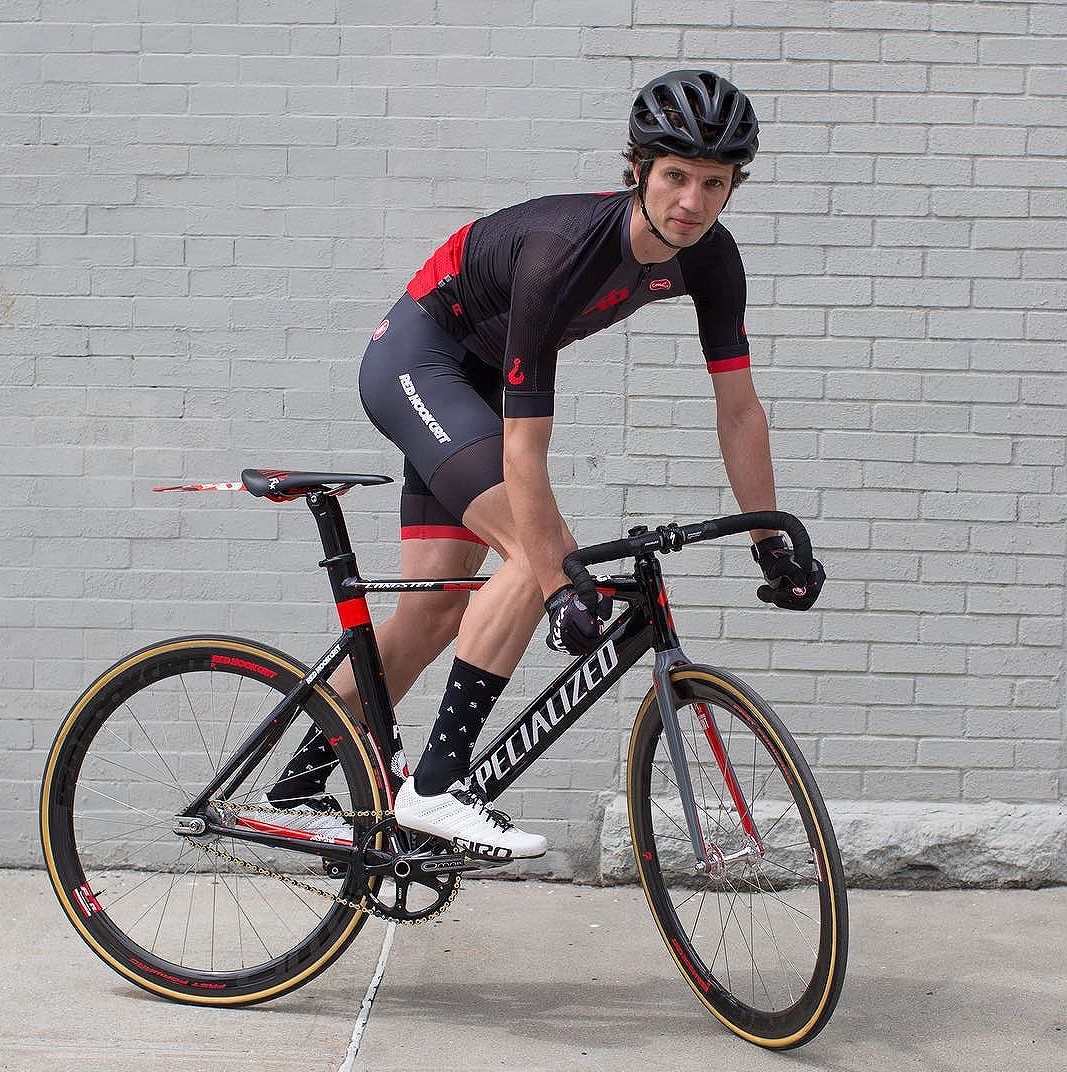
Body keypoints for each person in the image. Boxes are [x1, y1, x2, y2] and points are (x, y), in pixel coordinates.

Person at [258, 70, 825, 857]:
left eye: (713, 183)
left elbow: (739, 410)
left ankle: (295, 787)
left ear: (732, 188)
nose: (691, 201)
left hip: (473, 386)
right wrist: (559, 586)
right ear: (638, 169)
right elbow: (526, 447)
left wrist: (768, 540)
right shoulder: (561, 254)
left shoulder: (712, 260)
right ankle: (435, 787)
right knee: (535, 552)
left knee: (431, 615)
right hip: (420, 364)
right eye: (675, 177)